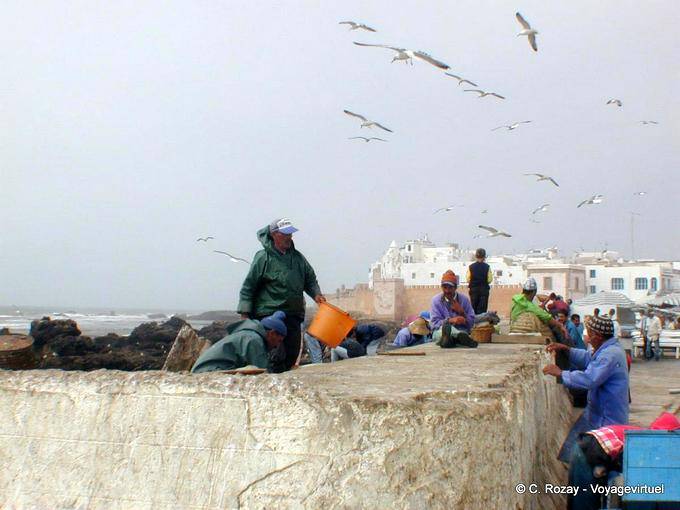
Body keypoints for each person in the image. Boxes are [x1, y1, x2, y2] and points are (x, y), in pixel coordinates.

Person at [237, 218, 326, 372]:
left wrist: (316, 294)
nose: (289, 237)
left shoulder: (298, 258)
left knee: (291, 354)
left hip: (293, 315)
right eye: (285, 234)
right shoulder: (263, 258)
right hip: (268, 315)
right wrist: (245, 315)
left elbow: (310, 279)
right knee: (275, 356)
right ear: (274, 235)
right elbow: (249, 286)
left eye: (290, 234)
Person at [543, 315, 629, 462]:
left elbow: (590, 379)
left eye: (589, 334)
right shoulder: (607, 349)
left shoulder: (610, 355)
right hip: (595, 412)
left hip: (606, 417)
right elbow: (589, 358)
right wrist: (568, 350)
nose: (587, 339)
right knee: (574, 450)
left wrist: (561, 373)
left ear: (598, 336)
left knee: (597, 459)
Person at [191, 312, 287, 373]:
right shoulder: (254, 340)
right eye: (279, 341)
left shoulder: (247, 334)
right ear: (272, 333)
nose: (277, 346)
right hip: (208, 372)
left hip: (204, 369)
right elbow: (263, 373)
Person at [510, 278, 568, 342]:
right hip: (529, 330)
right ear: (534, 292)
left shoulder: (516, 300)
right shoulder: (528, 305)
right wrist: (560, 325)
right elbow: (546, 317)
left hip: (513, 328)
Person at [430, 270, 477, 348]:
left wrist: (462, 312)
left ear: (455, 288)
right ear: (441, 287)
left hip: (461, 330)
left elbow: (471, 324)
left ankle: (450, 341)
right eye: (445, 287)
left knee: (460, 334)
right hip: (440, 332)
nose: (447, 291)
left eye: (450, 288)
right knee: (443, 332)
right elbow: (434, 324)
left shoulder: (464, 300)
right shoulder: (436, 300)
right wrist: (450, 321)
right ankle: (456, 337)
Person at [467, 248, 492, 314]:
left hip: (474, 291)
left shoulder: (471, 267)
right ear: (484, 257)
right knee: (482, 310)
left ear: (476, 256)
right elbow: (489, 280)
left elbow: (468, 279)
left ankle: (473, 323)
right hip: (484, 291)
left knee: (473, 308)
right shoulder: (487, 267)